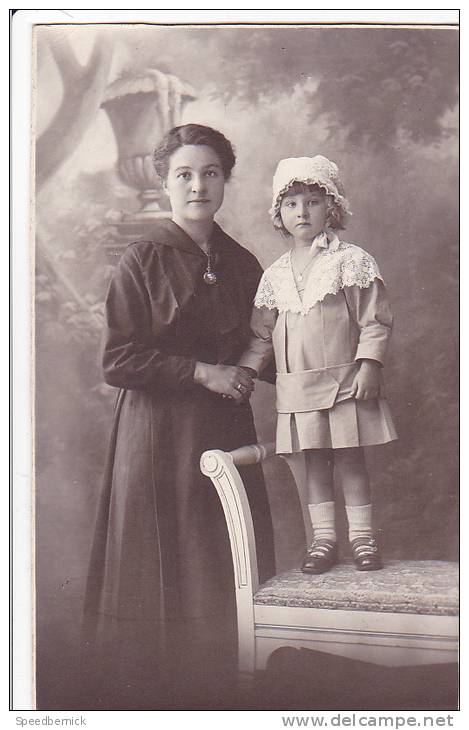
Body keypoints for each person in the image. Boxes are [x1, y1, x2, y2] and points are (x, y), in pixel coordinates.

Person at [83, 124, 275, 708]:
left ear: (226, 180)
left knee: (225, 558)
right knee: (164, 561)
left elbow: (264, 345)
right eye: (185, 174)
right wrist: (202, 372)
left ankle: (228, 696)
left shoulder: (244, 262)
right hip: (158, 435)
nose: (199, 186)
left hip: (224, 428)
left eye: (211, 172)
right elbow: (118, 358)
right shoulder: (142, 259)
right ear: (166, 183)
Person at [239, 155, 397, 576]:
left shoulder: (351, 261)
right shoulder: (274, 275)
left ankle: (362, 537)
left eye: (311, 201)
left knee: (349, 459)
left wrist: (370, 365)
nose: (302, 212)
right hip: (298, 388)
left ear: (332, 207)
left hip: (345, 382)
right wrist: (247, 371)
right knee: (313, 461)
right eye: (291, 204)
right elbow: (261, 336)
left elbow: (373, 321)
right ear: (279, 214)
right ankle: (323, 539)